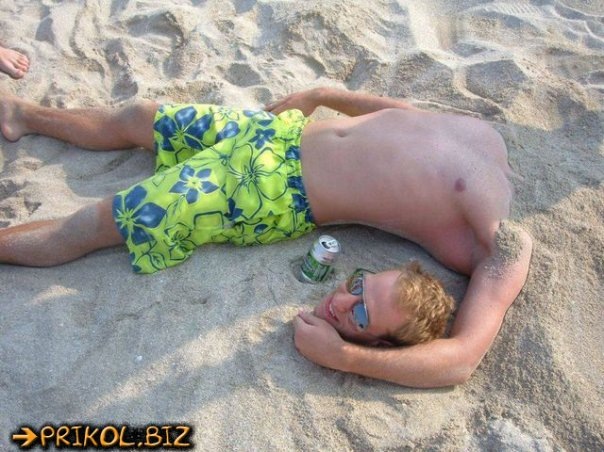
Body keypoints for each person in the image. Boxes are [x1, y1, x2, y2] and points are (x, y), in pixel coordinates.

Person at [0, 87, 532, 387]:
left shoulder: (501, 241)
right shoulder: (485, 135)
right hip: (275, 134)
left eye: (361, 311)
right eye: (359, 288)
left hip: (268, 191)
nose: (348, 298)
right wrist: (324, 95)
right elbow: (404, 118)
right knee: (139, 116)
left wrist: (346, 358)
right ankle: (22, 114)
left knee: (102, 222)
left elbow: (460, 360)